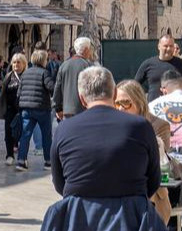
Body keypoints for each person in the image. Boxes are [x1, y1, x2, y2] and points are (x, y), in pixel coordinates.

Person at [50, 66, 160, 200]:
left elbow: (59, 183)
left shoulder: (64, 129)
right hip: (130, 214)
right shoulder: (141, 126)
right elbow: (154, 181)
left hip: (80, 214)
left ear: (82, 99)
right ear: (114, 94)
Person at [16, 49, 56, 171]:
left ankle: (21, 161)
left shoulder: (26, 73)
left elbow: (19, 92)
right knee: (46, 135)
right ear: (43, 60)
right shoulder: (44, 73)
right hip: (42, 108)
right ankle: (48, 161)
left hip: (26, 109)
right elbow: (51, 87)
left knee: (25, 135)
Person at [133, 35, 182, 99]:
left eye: (171, 46)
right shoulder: (148, 64)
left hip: (175, 106)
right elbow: (135, 85)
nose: (168, 49)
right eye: (165, 46)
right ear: (159, 46)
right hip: (154, 106)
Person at [55, 36, 96, 122]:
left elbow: (58, 87)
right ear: (86, 50)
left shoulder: (64, 65)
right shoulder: (88, 66)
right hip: (83, 109)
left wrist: (58, 108)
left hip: (67, 109)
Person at [0, 54, 26, 165]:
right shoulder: (9, 76)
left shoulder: (26, 76)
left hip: (23, 109)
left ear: (24, 64)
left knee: (24, 133)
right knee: (8, 132)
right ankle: (9, 155)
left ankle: (23, 156)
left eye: (18, 62)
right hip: (10, 109)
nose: (16, 65)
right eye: (14, 62)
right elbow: (4, 92)